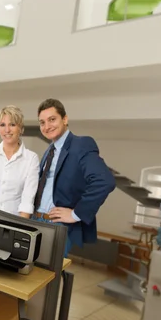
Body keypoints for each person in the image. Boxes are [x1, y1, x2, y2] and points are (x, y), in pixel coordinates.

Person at [33, 98, 115, 257]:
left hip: (56, 225)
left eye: (52, 119)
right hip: (36, 220)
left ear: (65, 119)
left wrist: (75, 214)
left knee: (47, 278)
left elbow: (105, 181)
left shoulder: (81, 144)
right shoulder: (50, 151)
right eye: (42, 122)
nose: (47, 126)